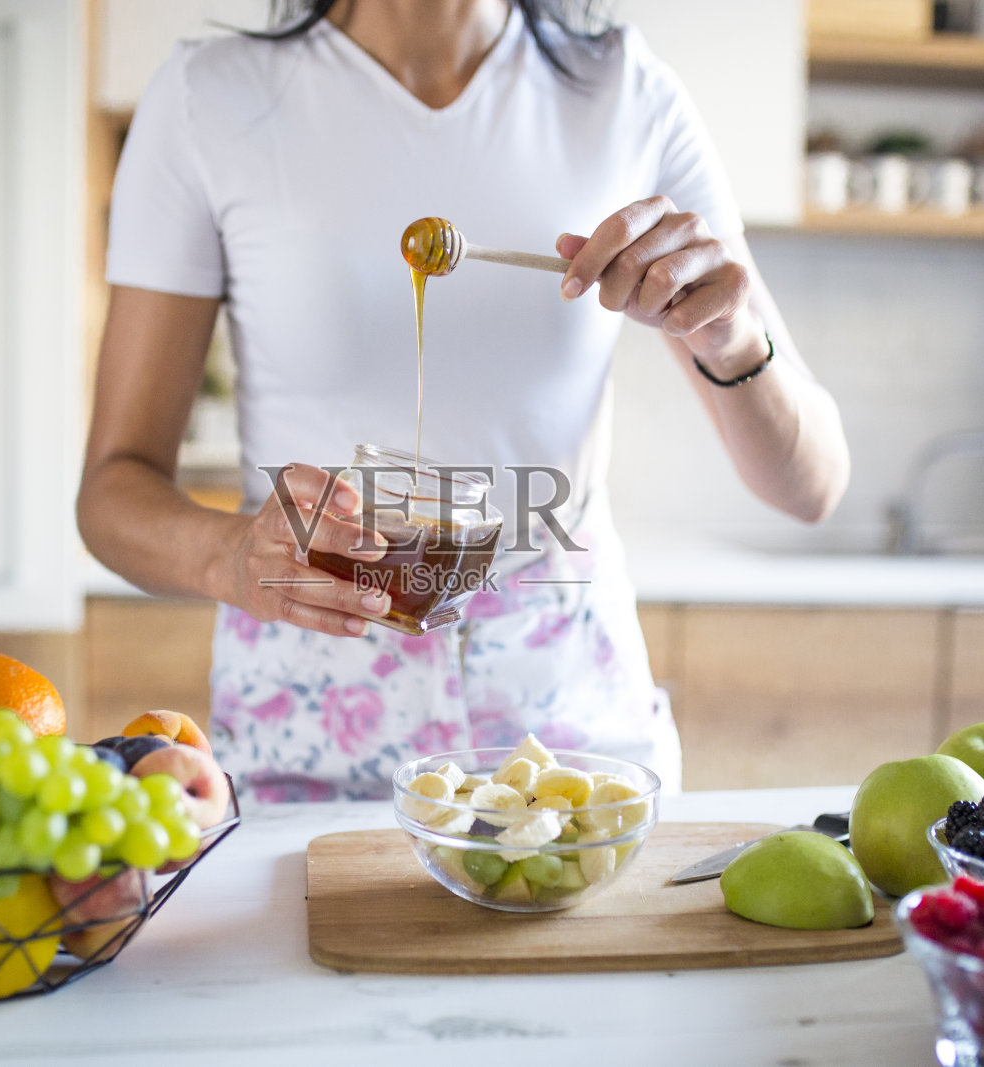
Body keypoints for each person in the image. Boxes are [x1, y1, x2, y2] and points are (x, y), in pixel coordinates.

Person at [77, 0, 850, 803]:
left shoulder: (627, 93)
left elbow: (812, 486)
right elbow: (110, 491)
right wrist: (230, 553)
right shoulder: (208, 100)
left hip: (571, 742)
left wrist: (731, 339)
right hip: (307, 735)